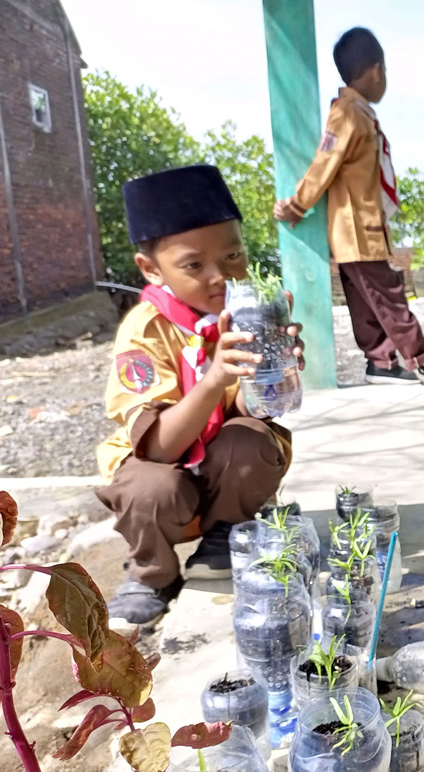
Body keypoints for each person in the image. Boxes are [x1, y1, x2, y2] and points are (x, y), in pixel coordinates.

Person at [97, 165, 304, 626]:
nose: (220, 276)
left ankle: (225, 535)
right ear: (151, 269)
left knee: (253, 440)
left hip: (218, 480)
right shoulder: (144, 331)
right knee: (147, 486)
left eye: (233, 255)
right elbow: (158, 446)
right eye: (194, 265)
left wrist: (275, 373)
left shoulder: (246, 316)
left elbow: (249, 411)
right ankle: (151, 572)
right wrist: (213, 378)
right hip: (165, 479)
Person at [273, 26, 424, 387]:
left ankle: (380, 361)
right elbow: (325, 162)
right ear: (376, 70)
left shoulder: (359, 112)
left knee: (365, 300)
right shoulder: (348, 112)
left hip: (362, 227)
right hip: (355, 228)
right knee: (389, 294)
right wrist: (298, 204)